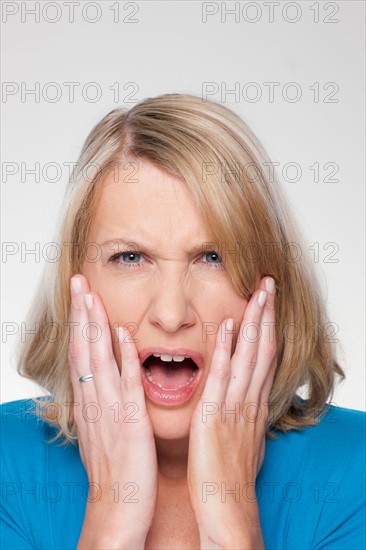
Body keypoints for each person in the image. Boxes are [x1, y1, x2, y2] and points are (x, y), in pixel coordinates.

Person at [1, 93, 365, 550]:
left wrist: (234, 530)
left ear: (268, 281)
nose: (172, 315)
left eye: (212, 257)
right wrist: (111, 528)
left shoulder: (355, 472)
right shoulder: (6, 467)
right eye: (130, 257)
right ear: (75, 281)